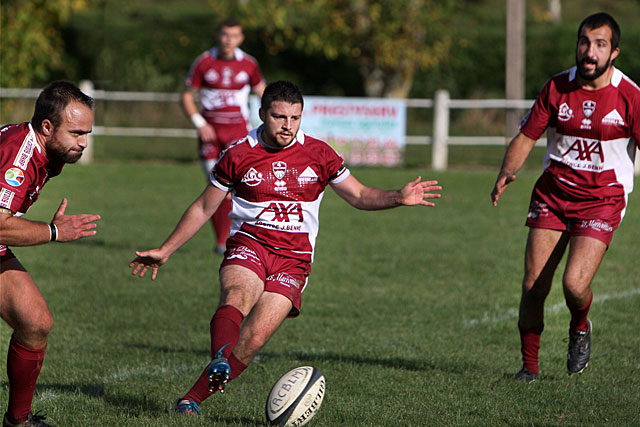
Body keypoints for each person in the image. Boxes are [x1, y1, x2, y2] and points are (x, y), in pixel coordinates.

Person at [130, 80, 442, 415]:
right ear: (263, 114)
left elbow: (360, 195)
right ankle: (219, 357)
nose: (287, 125)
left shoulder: (320, 154)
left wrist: (398, 196)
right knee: (237, 294)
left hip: (294, 260)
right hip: (250, 244)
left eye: (295, 117)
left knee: (252, 342)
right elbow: (205, 207)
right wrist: (167, 249)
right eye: (279, 117)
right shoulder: (238, 154)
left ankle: (191, 399)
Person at [491, 12, 640, 383]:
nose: (589, 52)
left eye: (600, 45)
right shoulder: (557, 88)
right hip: (553, 195)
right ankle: (529, 369)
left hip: (602, 199)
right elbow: (527, 135)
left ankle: (579, 324)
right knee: (533, 285)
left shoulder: (630, 96)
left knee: (574, 285)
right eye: (584, 42)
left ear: (614, 52)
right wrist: (507, 172)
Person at [0, 81, 101, 426]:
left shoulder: (47, 153)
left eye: (86, 133)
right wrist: (55, 231)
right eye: (76, 133)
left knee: (35, 322)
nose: (83, 143)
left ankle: (18, 421)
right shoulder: (20, 155)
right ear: (47, 126)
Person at [182, 17, 266, 254]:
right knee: (214, 184)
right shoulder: (204, 62)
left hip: (237, 131)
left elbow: (263, 92)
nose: (228, 40)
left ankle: (234, 239)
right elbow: (187, 96)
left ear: (240, 38)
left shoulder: (249, 64)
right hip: (210, 133)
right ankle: (222, 240)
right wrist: (200, 123)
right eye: (224, 34)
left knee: (236, 187)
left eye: (234, 35)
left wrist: (269, 118)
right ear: (217, 35)